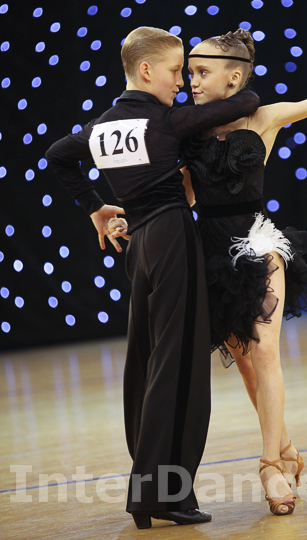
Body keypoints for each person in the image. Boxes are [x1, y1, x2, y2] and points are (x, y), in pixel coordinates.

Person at [110, 29, 307, 517]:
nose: (192, 81)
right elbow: (182, 195)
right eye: (188, 72)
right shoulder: (187, 131)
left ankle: (270, 465)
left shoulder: (263, 117)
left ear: (234, 78)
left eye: (201, 72)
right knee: (247, 367)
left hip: (257, 246)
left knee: (265, 350)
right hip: (210, 254)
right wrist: (133, 218)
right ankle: (289, 449)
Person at [45, 26, 260, 529]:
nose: (181, 83)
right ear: (145, 70)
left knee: (146, 362)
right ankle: (161, 495)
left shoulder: (101, 126)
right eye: (175, 71)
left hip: (139, 247)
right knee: (179, 365)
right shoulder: (165, 121)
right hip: (172, 239)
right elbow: (246, 100)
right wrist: (232, 70)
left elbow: (57, 154)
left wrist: (95, 207)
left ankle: (152, 491)